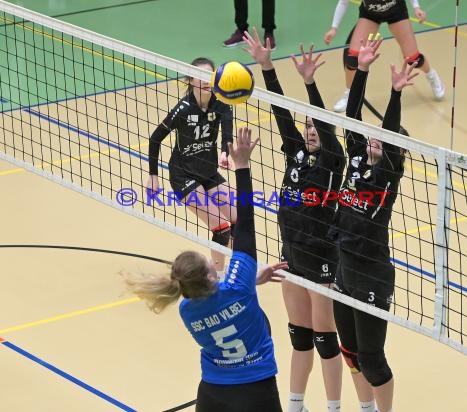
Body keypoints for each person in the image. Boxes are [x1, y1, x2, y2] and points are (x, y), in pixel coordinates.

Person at [127, 127, 287, 412]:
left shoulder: (188, 309)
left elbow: (225, 292)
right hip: (256, 389)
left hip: (213, 394)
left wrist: (250, 280)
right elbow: (246, 223)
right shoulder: (236, 286)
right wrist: (243, 165)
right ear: (213, 275)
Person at [244, 28, 345, 412]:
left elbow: (320, 123)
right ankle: (296, 405)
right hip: (290, 256)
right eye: (307, 129)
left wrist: (311, 83)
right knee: (299, 338)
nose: (309, 132)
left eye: (316, 127)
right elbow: (281, 113)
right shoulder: (295, 158)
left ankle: (333, 406)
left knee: (324, 341)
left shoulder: (333, 163)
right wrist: (267, 68)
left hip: (321, 261)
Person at [332, 35, 416, 412]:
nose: (375, 140)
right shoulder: (357, 158)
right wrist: (362, 70)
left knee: (371, 358)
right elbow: (352, 115)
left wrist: (396, 95)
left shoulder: (389, 175)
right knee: (348, 351)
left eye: (385, 140)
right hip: (342, 262)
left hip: (371, 271)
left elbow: (388, 129)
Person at [147, 57, 236, 272]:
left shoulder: (221, 103)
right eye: (200, 76)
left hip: (208, 172)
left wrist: (225, 152)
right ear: (190, 80)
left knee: (238, 221)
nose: (206, 81)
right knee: (222, 228)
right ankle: (218, 278)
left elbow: (227, 133)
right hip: (183, 175)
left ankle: (234, 270)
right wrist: (153, 175)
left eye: (209, 76)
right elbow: (155, 138)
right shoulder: (183, 109)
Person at [323, 0, 444, 112]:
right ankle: (350, 93)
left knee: (413, 59)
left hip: (396, 11)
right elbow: (343, 3)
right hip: (370, 13)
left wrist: (416, 7)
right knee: (353, 58)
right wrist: (334, 28)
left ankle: (431, 75)